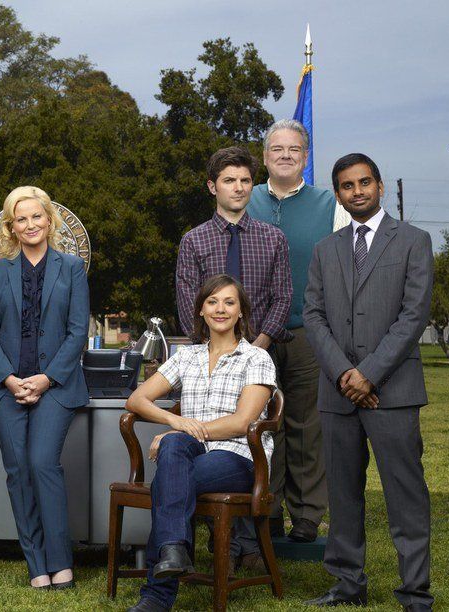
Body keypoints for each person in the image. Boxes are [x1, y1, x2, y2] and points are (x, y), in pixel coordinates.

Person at [303, 154, 433, 610]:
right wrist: (344, 374)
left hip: (392, 392)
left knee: (405, 495)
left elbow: (413, 315)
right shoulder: (325, 249)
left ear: (378, 185)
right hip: (337, 393)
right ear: (338, 194)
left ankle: (414, 592)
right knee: (342, 495)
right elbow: (313, 315)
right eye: (347, 185)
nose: (356, 191)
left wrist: (369, 374)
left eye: (364, 182)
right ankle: (347, 585)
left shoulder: (414, 241)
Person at [126, 274, 277, 612]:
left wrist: (181, 432)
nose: (220, 309)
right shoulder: (187, 356)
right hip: (191, 453)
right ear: (201, 311)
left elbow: (242, 422)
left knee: (169, 478)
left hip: (240, 457)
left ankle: (157, 593)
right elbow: (137, 399)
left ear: (241, 311)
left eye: (229, 302)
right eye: (212, 302)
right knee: (174, 452)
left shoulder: (256, 358)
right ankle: (174, 551)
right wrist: (175, 423)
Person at [176, 145, 292, 569]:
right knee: (212, 443)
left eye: (245, 180)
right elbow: (188, 301)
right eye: (229, 180)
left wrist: (252, 349)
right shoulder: (194, 240)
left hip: (258, 355)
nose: (238, 188)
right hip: (210, 360)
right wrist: (218, 352)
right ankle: (226, 542)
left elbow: (283, 298)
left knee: (249, 439)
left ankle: (247, 543)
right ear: (213, 187)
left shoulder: (273, 238)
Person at [0, 186, 89, 590]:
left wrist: (45, 378)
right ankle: (37, 564)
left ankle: (60, 562)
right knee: (19, 471)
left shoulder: (71, 268)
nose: (30, 224)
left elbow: (78, 331)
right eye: (21, 219)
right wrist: (9, 378)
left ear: (49, 220)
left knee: (42, 463)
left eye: (37, 216)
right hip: (6, 387)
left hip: (55, 386)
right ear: (11, 227)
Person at [245, 119, 351, 543]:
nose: (285, 155)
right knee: (261, 424)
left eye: (294, 149)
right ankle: (265, 510)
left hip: (309, 331)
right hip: (254, 336)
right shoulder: (245, 198)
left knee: (307, 425)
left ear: (305, 157)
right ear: (265, 156)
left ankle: (306, 514)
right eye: (277, 149)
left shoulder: (329, 205)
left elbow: (347, 267)